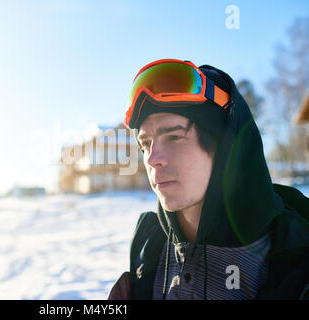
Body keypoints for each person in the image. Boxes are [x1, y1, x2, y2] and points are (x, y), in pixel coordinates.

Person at [108, 59, 309, 300]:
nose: (152, 159)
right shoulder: (149, 248)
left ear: (225, 148)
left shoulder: (292, 257)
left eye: (173, 136)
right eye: (146, 143)